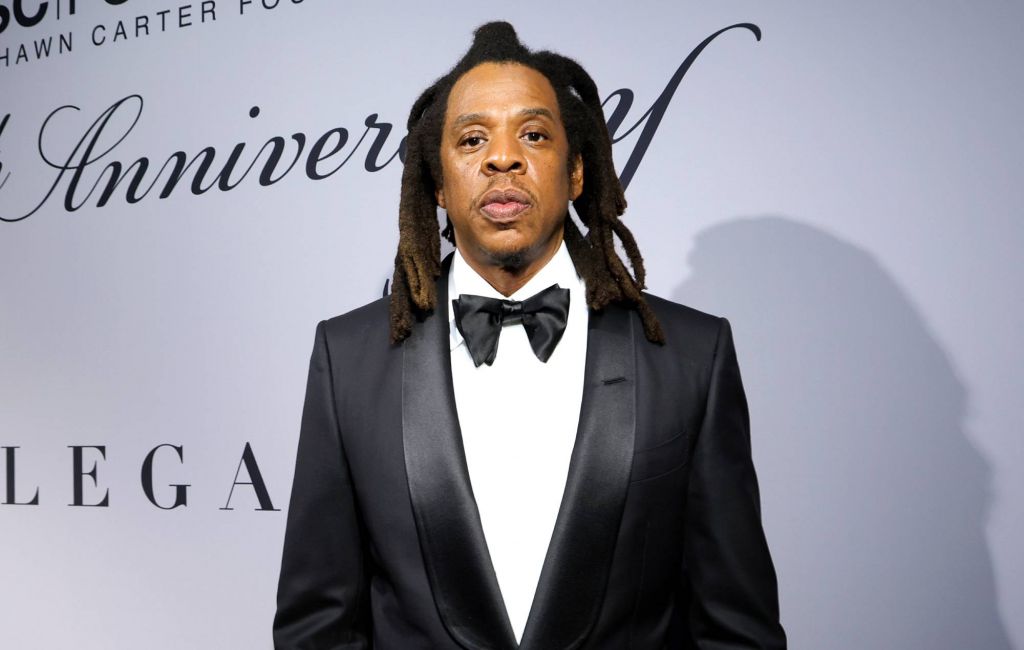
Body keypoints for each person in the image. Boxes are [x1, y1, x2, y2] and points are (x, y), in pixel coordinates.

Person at [273, 21, 785, 650]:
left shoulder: (690, 354)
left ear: (576, 173)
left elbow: (736, 629)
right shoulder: (347, 358)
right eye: (472, 139)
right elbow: (317, 626)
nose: (502, 157)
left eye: (534, 134)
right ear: (437, 183)